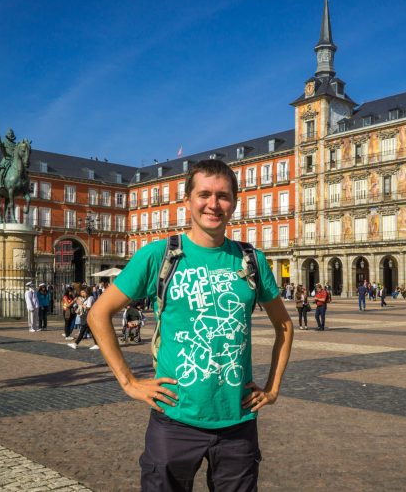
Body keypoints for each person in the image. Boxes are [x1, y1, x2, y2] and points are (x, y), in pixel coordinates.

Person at [86, 159, 293, 490]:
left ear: (235, 202)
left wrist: (273, 388)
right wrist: (128, 382)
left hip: (237, 422)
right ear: (188, 200)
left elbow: (284, 325)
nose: (214, 204)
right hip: (174, 419)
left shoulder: (251, 260)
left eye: (223, 196)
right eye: (205, 194)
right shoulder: (160, 255)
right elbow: (98, 314)